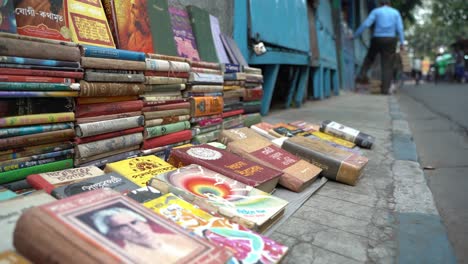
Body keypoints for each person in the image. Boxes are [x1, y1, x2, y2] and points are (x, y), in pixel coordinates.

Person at [90, 206, 201, 263]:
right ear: (115, 234)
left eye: (134, 222)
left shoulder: (179, 237)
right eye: (123, 227)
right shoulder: (131, 258)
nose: (136, 230)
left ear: (143, 222)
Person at [352, 0, 405, 94]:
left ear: (381, 3)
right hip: (390, 40)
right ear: (390, 3)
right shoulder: (395, 12)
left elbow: (366, 24)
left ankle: (361, 77)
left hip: (377, 38)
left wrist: (355, 35)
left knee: (369, 58)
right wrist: (402, 43)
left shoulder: (376, 11)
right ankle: (385, 90)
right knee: (387, 65)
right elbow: (400, 28)